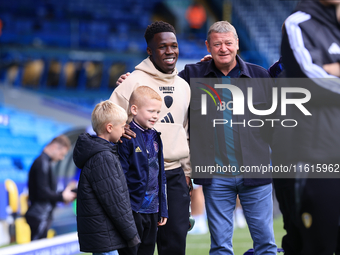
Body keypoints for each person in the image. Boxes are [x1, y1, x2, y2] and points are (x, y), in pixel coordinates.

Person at [179, 21, 276, 254]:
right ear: (208, 46)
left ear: (237, 44)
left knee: (265, 244)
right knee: (220, 246)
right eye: (217, 44)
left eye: (228, 43)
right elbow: (160, 86)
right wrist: (133, 78)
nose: (223, 48)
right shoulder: (192, 75)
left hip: (256, 174)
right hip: (216, 177)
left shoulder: (260, 76)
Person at [109, 21, 191, 255]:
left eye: (174, 46)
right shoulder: (132, 82)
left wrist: (187, 173)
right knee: (138, 247)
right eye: (163, 46)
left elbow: (184, 131)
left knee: (175, 245)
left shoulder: (184, 86)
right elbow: (105, 120)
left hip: (174, 176)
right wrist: (118, 127)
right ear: (149, 51)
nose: (170, 51)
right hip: (139, 176)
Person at [277, 0, 340, 254]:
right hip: (318, 158)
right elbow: (309, 82)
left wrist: (332, 70)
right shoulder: (299, 23)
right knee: (315, 245)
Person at [73, 100, 140, 254]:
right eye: (122, 126)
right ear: (109, 127)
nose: (124, 130)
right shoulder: (102, 158)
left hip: (102, 234)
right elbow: (115, 200)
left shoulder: (102, 153)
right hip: (104, 235)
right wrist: (132, 234)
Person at [117, 86, 168, 255]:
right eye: (151, 111)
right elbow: (121, 177)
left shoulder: (155, 136)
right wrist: (125, 210)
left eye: (158, 112)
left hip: (153, 210)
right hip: (133, 209)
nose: (155, 116)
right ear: (134, 109)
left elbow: (161, 176)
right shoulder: (127, 136)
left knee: (147, 251)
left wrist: (163, 207)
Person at [25, 135, 77, 240]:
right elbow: (42, 192)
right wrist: (62, 197)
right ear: (54, 147)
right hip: (39, 215)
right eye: (61, 154)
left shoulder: (45, 163)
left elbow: (47, 191)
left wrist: (65, 194)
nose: (61, 158)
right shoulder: (42, 163)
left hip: (41, 215)